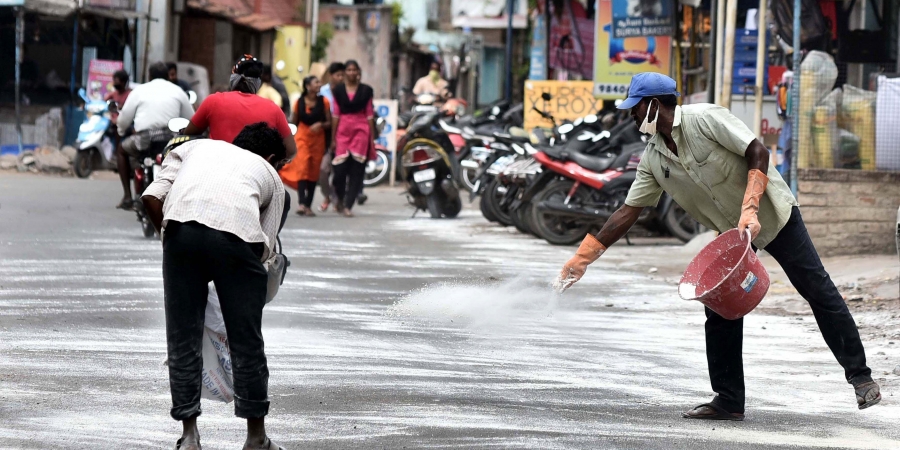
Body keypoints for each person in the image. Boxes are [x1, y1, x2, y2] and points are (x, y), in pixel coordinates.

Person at [554, 72, 881, 421]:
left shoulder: (705, 118)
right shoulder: (653, 157)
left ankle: (861, 378)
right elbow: (628, 212)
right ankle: (728, 400)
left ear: (652, 105)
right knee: (720, 307)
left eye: (634, 109)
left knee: (817, 289)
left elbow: (757, 150)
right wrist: (583, 258)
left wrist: (751, 207)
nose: (631, 117)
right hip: (731, 234)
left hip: (772, 216)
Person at [141, 123, 288, 450]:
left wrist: (174, 247)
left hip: (180, 232)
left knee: (182, 338)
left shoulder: (195, 147)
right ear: (273, 158)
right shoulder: (271, 176)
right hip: (237, 239)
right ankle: (255, 438)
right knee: (246, 341)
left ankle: (190, 436)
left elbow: (151, 196)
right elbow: (264, 247)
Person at [184, 54, 297, 160]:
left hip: (216, 170)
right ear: (258, 82)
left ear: (233, 77)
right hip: (255, 176)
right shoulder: (273, 109)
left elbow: (188, 133)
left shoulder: (213, 101)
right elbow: (291, 151)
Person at [116, 62, 194, 210]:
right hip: (170, 140)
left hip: (144, 139)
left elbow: (124, 118)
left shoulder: (139, 91)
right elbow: (191, 118)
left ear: (149, 76)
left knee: (121, 149)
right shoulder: (178, 91)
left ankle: (127, 196)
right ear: (167, 76)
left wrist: (121, 130)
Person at [329, 60, 375, 218]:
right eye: (348, 69)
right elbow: (335, 114)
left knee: (357, 171)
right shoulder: (338, 91)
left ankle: (349, 205)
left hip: (361, 131)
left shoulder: (366, 91)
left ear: (358, 72)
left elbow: (369, 114)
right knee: (339, 171)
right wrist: (333, 138)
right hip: (343, 130)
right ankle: (340, 199)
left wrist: (372, 138)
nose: (351, 72)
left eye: (354, 70)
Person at [280, 76, 331, 216]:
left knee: (313, 173)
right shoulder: (299, 102)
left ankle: (309, 205)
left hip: (317, 140)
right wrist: (287, 140)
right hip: (302, 138)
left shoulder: (324, 102)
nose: (319, 84)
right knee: (302, 169)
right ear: (308, 86)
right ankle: (302, 204)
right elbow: (294, 122)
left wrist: (321, 124)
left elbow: (329, 122)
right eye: (316, 82)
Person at [316, 62, 344, 212]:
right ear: (331, 76)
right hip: (327, 135)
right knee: (323, 170)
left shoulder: (347, 92)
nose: (340, 78)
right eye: (337, 75)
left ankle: (334, 199)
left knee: (339, 171)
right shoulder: (323, 92)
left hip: (344, 134)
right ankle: (331, 196)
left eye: (342, 75)